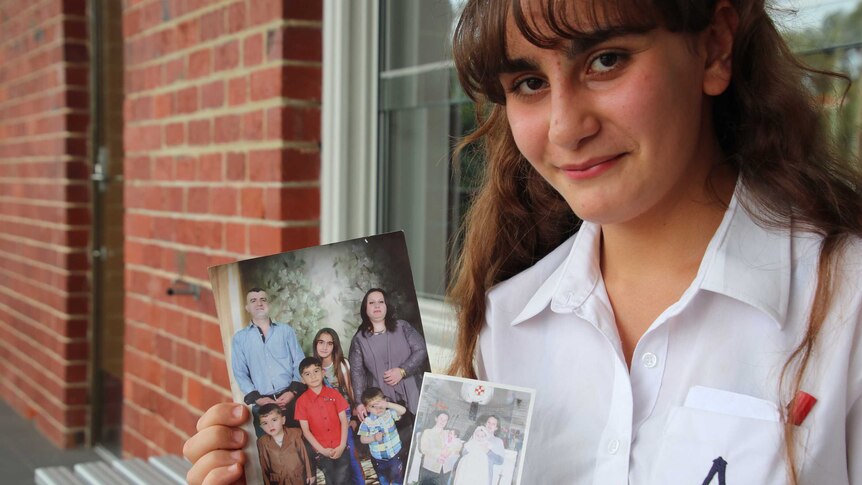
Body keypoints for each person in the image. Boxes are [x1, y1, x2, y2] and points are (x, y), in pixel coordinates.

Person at [182, 0, 862, 483]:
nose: (565, 126)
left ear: (713, 47)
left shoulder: (846, 309)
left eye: (606, 59)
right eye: (529, 82)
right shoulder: (508, 322)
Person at [231, 287, 306, 437]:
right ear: (247, 308)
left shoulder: (286, 331)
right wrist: (258, 399)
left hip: (292, 400)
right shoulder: (240, 339)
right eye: (253, 300)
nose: (259, 303)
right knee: (271, 454)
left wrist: (292, 392)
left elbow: (299, 361)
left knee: (303, 446)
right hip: (262, 406)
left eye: (263, 299)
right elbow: (240, 372)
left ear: (269, 305)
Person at [348, 288, 428, 421]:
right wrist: (360, 403)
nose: (377, 305)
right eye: (371, 303)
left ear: (387, 306)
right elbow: (357, 373)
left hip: (413, 390)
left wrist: (403, 371)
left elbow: (421, 350)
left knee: (418, 428)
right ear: (365, 309)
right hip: (380, 399)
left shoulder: (402, 327)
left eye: (381, 302)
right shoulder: (359, 339)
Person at [313, 327, 365, 484]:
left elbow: (352, 394)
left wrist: (355, 418)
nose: (324, 347)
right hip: (324, 424)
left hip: (344, 419)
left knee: (352, 459)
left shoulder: (343, 365)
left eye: (329, 343)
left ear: (334, 346)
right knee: (333, 464)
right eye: (321, 342)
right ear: (315, 344)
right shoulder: (313, 368)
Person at [293, 357, 351, 484]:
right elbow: (306, 431)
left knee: (346, 479)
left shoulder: (334, 394)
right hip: (322, 452)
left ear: (323, 372)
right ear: (302, 380)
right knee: (331, 480)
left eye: (316, 371)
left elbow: (344, 421)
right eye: (307, 374)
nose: (313, 376)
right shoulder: (301, 402)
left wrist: (341, 446)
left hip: (341, 448)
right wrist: (322, 450)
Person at [357, 387, 408, 485]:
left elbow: (403, 411)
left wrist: (388, 404)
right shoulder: (367, 422)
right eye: (373, 406)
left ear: (385, 401)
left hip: (395, 455)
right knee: (383, 480)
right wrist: (373, 438)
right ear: (366, 408)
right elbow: (362, 439)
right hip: (379, 459)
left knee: (398, 479)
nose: (378, 408)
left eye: (380, 404)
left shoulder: (390, 414)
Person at [255, 403, 313, 485]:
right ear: (261, 426)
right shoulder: (262, 442)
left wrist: (310, 474)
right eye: (265, 423)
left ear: (283, 420)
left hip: (299, 478)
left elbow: (305, 455)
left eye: (274, 420)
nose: (270, 425)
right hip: (278, 481)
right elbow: (264, 466)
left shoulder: (296, 433)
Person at [417, 411, 450, 485]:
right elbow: (424, 449)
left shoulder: (448, 433)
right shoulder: (428, 432)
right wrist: (440, 452)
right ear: (436, 418)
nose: (443, 421)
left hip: (443, 470)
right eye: (441, 418)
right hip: (430, 467)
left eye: (445, 420)